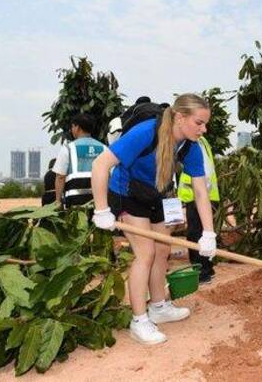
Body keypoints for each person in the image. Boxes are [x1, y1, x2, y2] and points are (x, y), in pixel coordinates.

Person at [91, 93, 217, 345]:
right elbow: (100, 164)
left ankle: (158, 306)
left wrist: (208, 233)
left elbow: (201, 191)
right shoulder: (146, 132)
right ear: (180, 117)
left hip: (156, 194)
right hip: (127, 194)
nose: (204, 129)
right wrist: (101, 209)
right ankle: (139, 320)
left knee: (162, 249)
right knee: (145, 253)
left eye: (206, 124)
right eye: (199, 123)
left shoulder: (190, 145)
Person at [177, 135, 219, 284]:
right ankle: (208, 268)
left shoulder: (194, 143)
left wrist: (201, 193)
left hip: (199, 197)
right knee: (203, 234)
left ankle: (201, 273)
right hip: (204, 196)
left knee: (195, 235)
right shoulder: (202, 142)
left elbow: (204, 172)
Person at [53, 113, 106, 208]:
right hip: (100, 199)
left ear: (77, 127)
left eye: (72, 126)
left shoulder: (68, 148)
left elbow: (60, 176)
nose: (72, 130)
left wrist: (58, 200)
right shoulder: (104, 148)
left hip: (75, 201)